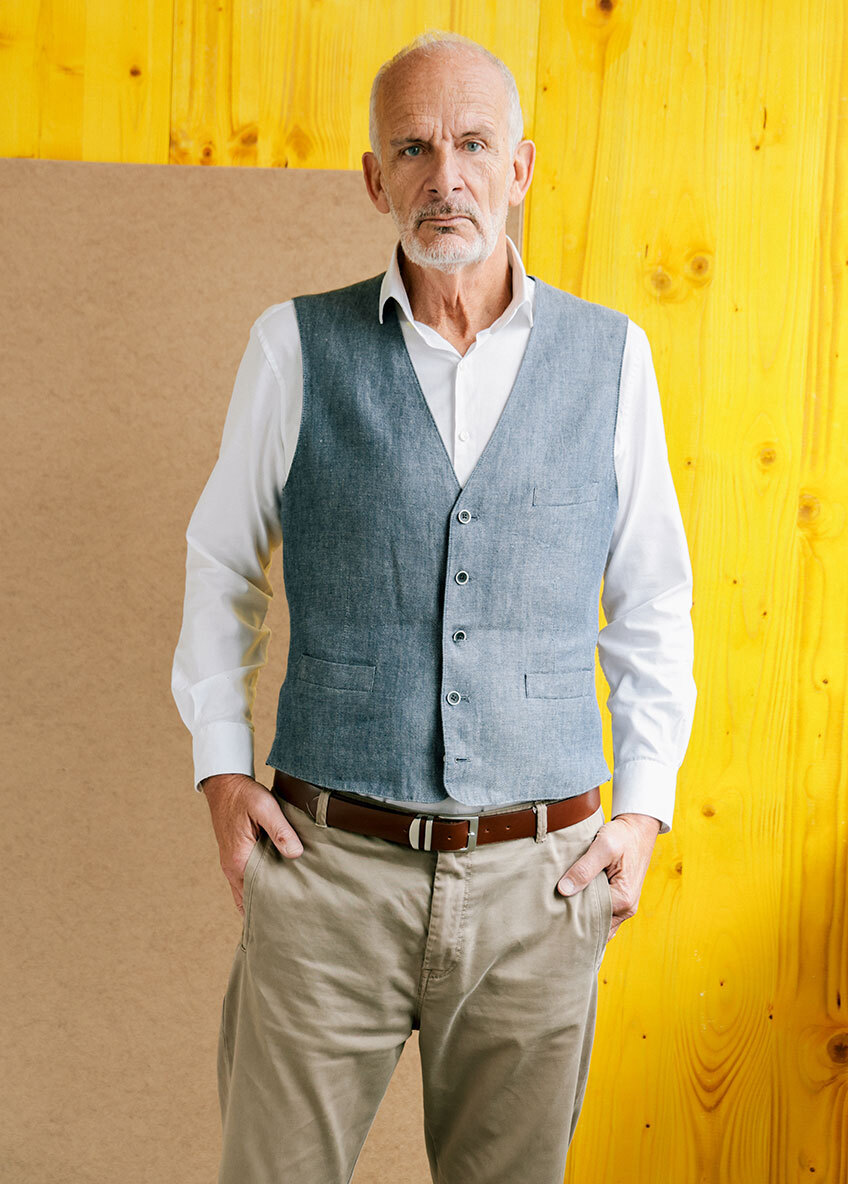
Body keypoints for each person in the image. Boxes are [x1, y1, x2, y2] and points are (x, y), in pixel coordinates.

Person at [171, 28, 696, 1184]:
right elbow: (220, 564)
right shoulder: (292, 347)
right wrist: (220, 770)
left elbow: (651, 597)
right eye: (411, 148)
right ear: (374, 179)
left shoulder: (611, 358)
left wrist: (643, 809)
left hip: (537, 882)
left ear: (519, 169)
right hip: (326, 867)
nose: (443, 175)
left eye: (471, 144)